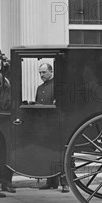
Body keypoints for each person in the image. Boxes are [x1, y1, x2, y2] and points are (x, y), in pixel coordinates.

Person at [35, 63, 69, 193]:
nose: (42, 75)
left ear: (51, 72)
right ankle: (51, 182)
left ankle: (65, 183)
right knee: (47, 153)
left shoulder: (58, 87)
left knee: (61, 155)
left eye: (44, 72)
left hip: (57, 125)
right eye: (40, 73)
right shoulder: (39, 88)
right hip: (45, 126)